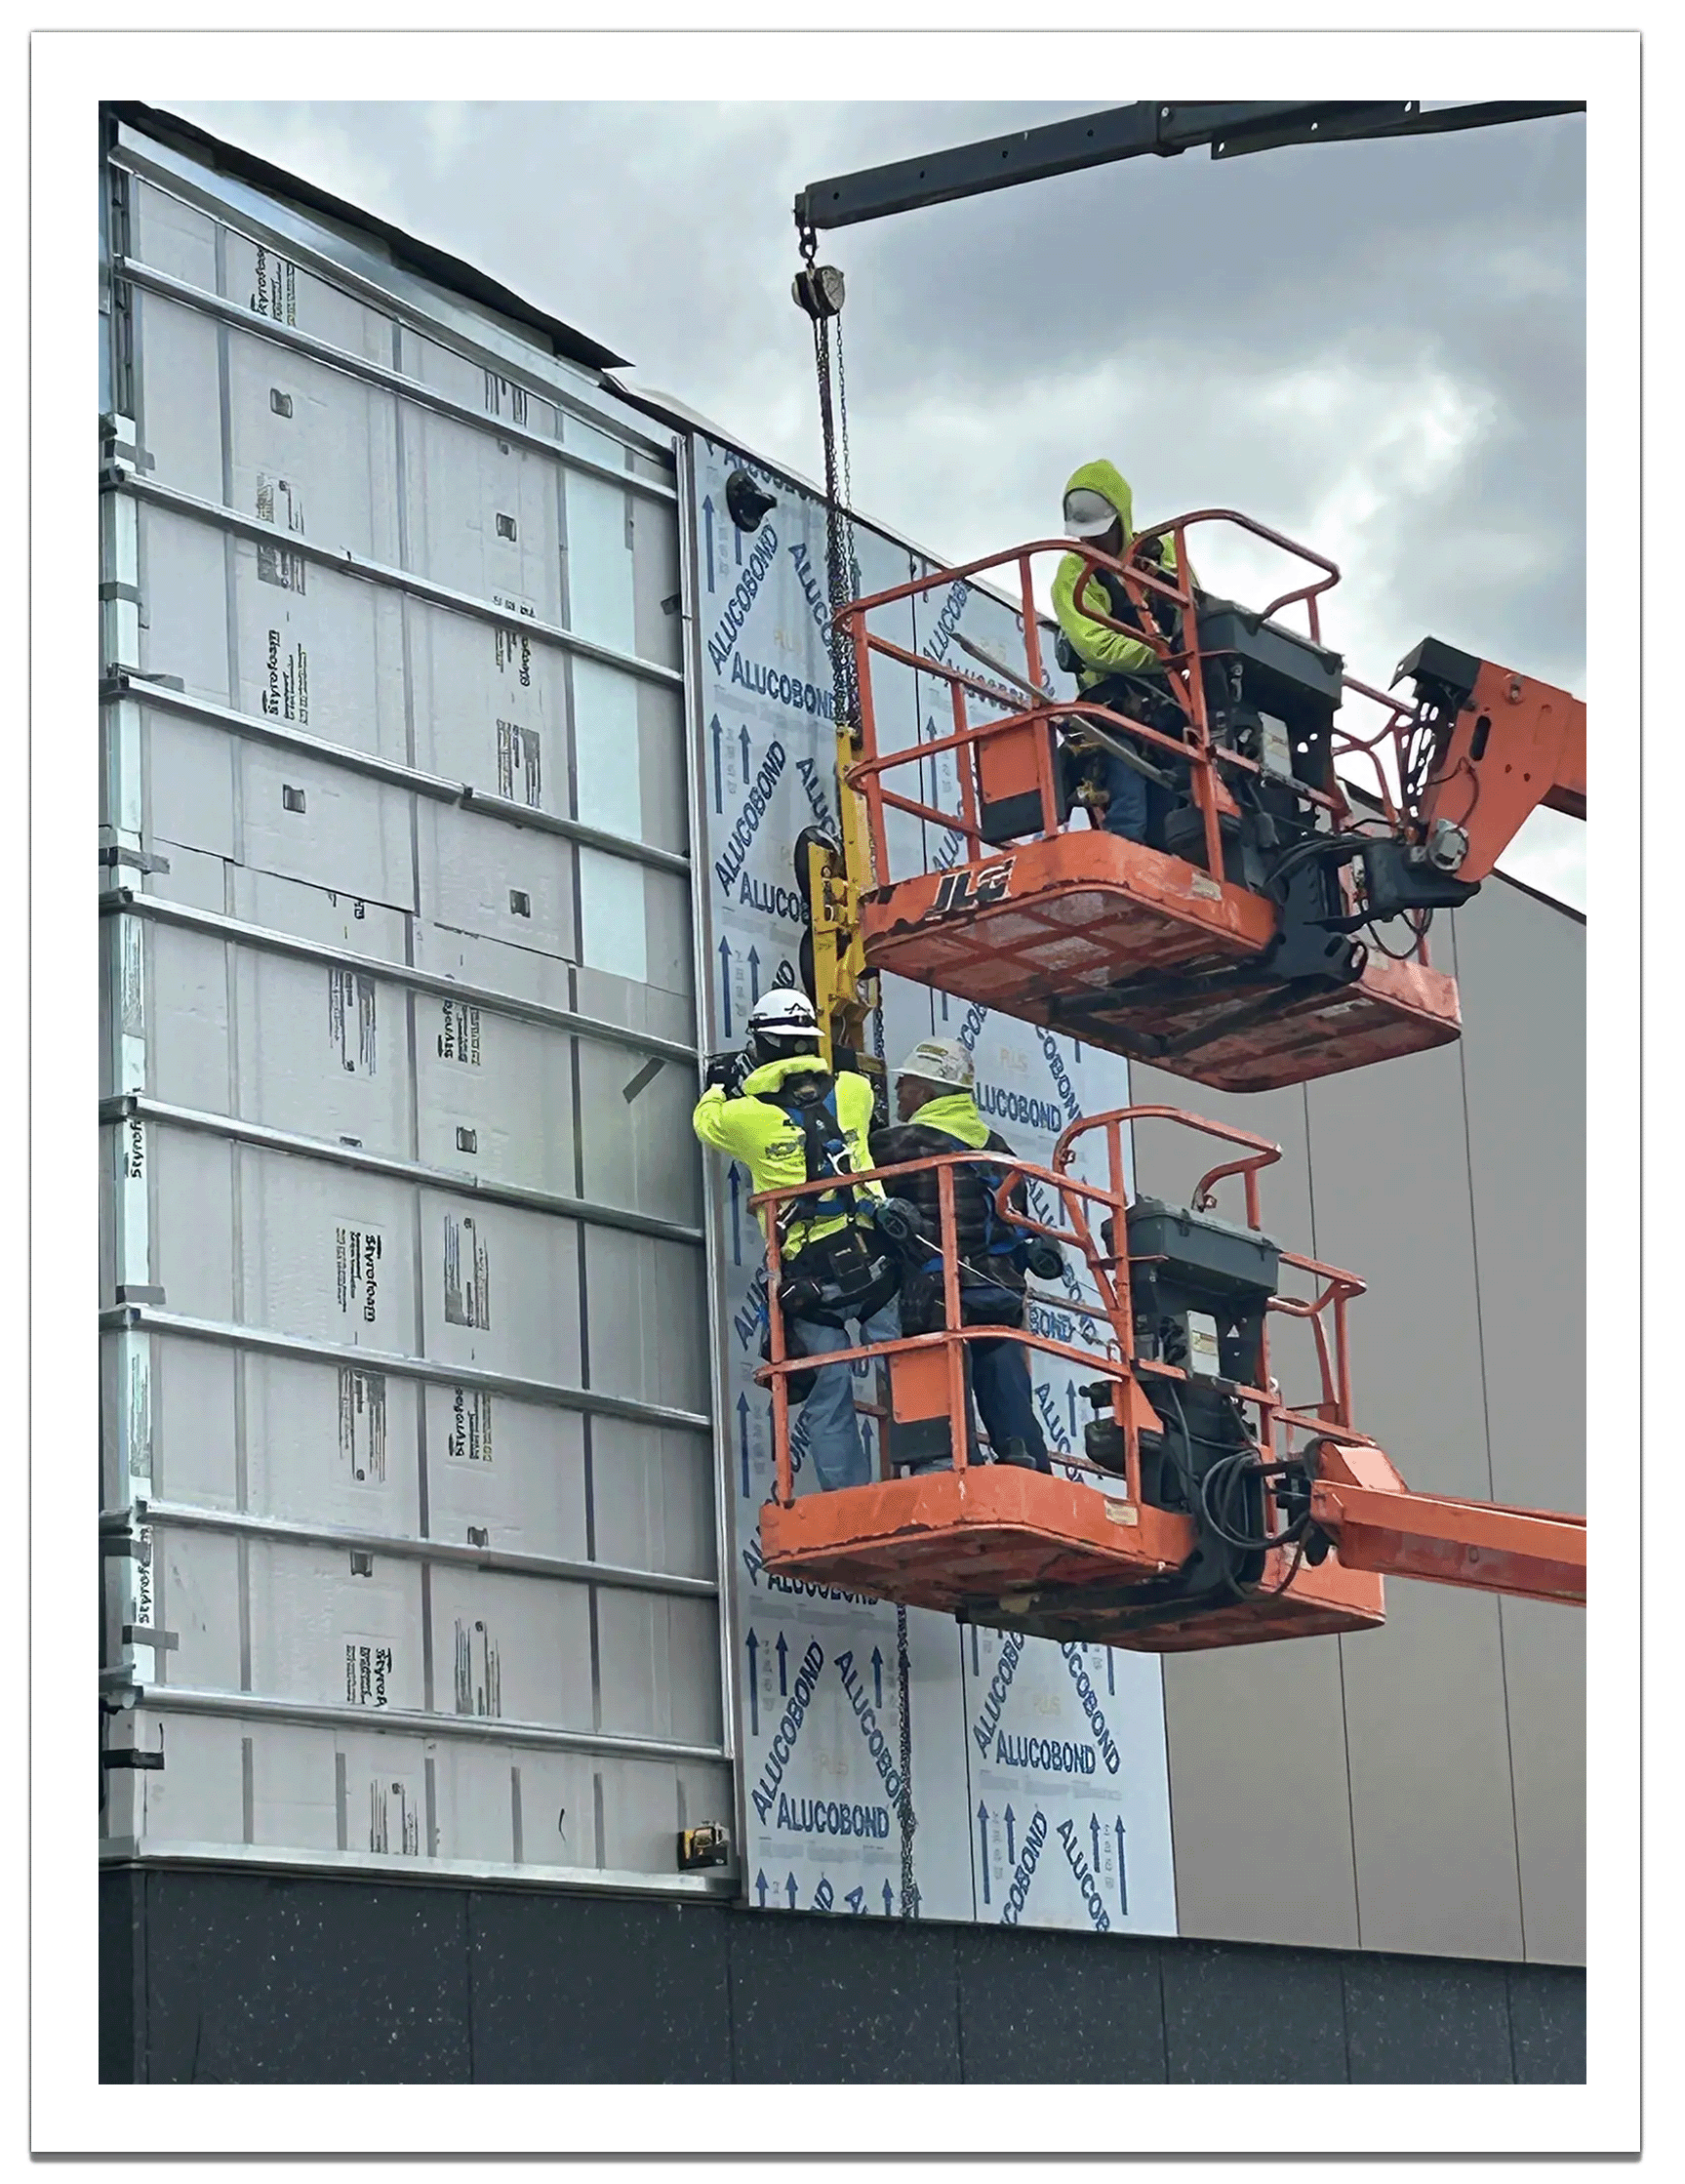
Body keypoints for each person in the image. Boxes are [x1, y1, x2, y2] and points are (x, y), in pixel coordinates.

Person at [692, 988, 901, 1494]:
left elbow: (705, 1122)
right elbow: (847, 1091)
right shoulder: (854, 1091)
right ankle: (938, 1466)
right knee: (910, 1363)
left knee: (828, 1394)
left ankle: (847, 1499)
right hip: (875, 1263)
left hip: (811, 1282)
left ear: (763, 1046)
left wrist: (719, 1083)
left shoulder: (745, 1119)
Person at [868, 1037, 1053, 1474]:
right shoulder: (1000, 1150)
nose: (898, 1093)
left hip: (935, 1294)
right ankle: (1026, 1465)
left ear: (927, 1091)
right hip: (999, 1294)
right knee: (1004, 1376)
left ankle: (949, 1464)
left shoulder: (903, 1143)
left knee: (933, 1383)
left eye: (905, 1085)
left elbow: (855, 1184)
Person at [1051, 458, 1185, 845]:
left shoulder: (1164, 552)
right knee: (1129, 809)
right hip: (1113, 710)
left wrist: (1181, 650)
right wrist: (1160, 655)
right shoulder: (1073, 574)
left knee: (1173, 814)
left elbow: (1195, 609)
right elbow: (1095, 645)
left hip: (1171, 707)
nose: (1091, 543)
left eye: (1101, 533)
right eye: (1085, 535)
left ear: (1121, 521)